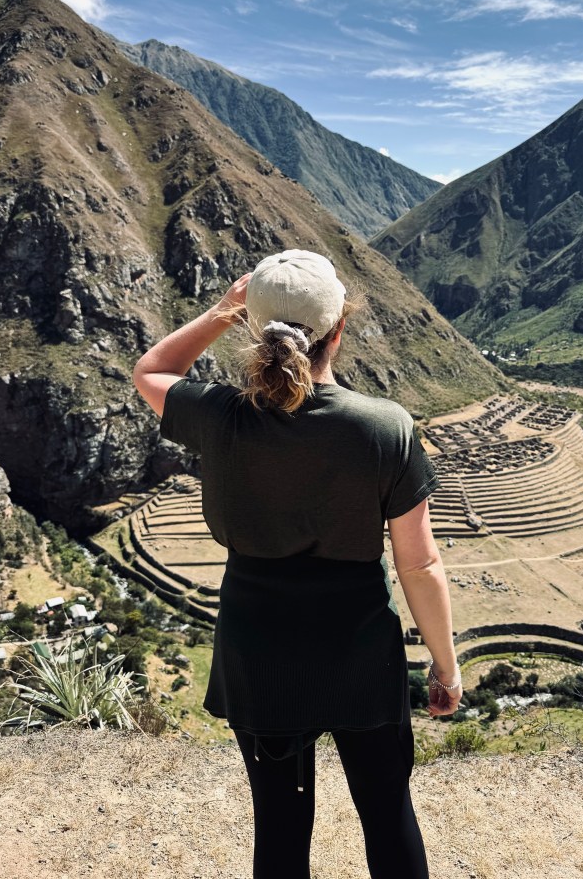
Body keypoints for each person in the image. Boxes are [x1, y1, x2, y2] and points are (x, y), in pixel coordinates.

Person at [132, 248, 463, 879]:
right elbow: (419, 566)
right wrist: (444, 671)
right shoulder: (385, 427)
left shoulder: (220, 416)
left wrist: (223, 312)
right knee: (388, 817)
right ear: (339, 329)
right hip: (360, 655)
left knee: (280, 833)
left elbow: (152, 368)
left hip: (259, 654)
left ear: (255, 329)